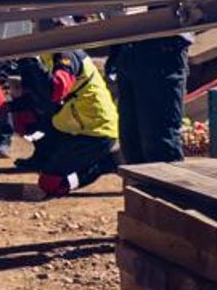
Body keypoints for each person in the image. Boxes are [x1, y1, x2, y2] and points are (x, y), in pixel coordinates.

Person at [15, 51, 119, 197]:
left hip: (95, 132)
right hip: (70, 126)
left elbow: (55, 90)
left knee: (50, 184)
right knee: (26, 118)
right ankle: (42, 157)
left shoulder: (67, 55)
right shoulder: (47, 52)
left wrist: (30, 64)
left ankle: (106, 164)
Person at [108, 34, 192, 164]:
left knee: (159, 144)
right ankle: (139, 183)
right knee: (131, 142)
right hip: (127, 46)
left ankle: (166, 184)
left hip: (161, 48)